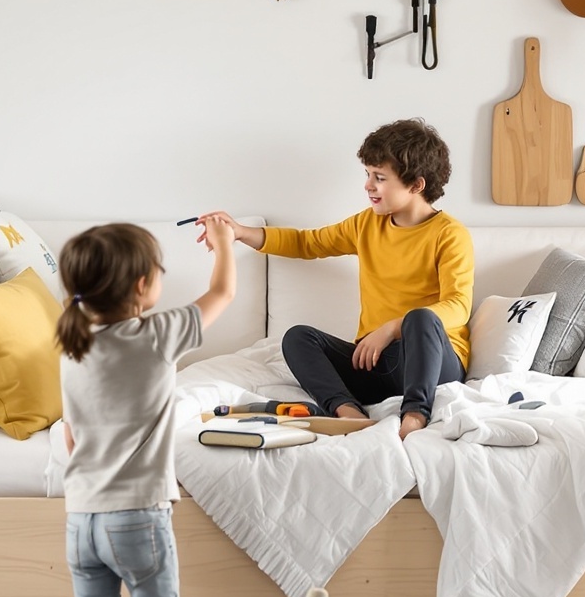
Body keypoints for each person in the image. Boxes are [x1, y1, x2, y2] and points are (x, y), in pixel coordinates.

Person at [199, 120, 472, 438]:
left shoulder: (449, 235)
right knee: (297, 337)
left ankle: (414, 415)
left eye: (379, 178)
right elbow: (307, 243)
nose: (368, 185)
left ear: (416, 185)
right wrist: (240, 232)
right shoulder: (367, 225)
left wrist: (392, 327)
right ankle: (349, 412)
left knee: (420, 318)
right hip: (377, 364)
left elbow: (458, 307)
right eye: (368, 174)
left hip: (434, 366)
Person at [55, 216, 237, 597]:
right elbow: (222, 294)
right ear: (141, 285)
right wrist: (223, 243)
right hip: (137, 515)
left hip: (81, 516)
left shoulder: (72, 347)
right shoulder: (157, 335)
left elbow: (71, 435)